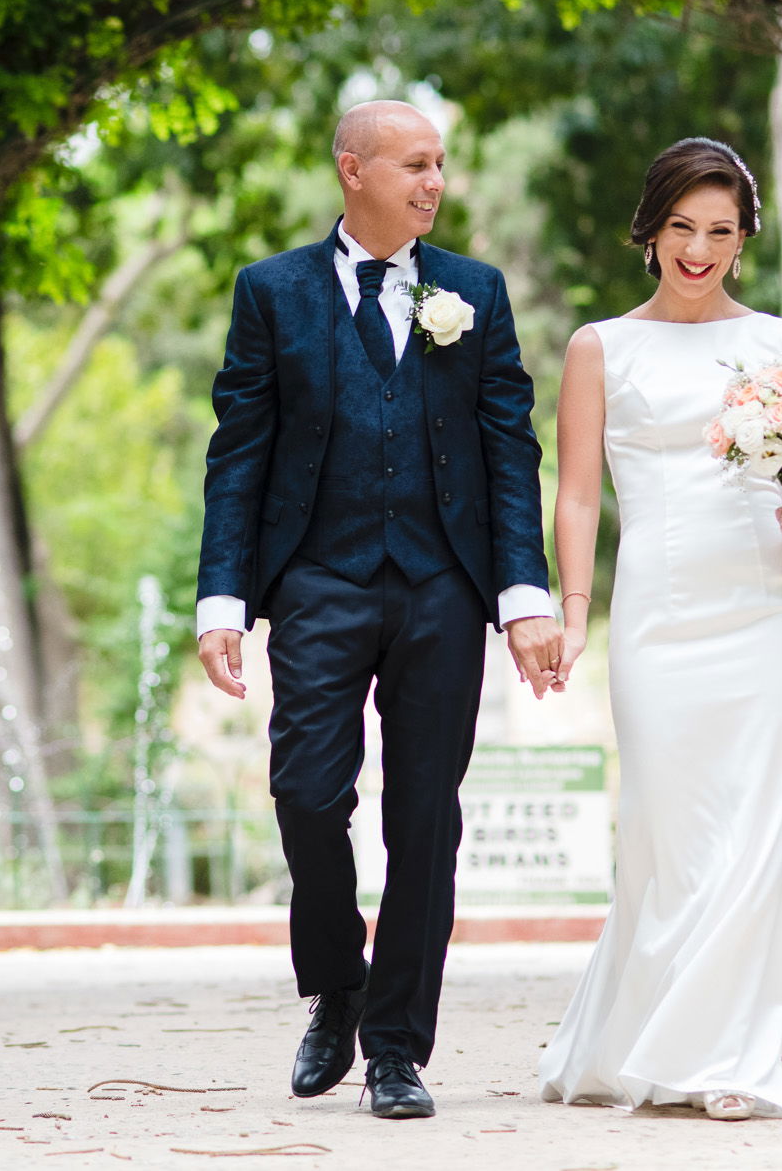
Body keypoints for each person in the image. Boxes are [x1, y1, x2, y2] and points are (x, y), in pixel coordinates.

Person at [194, 100, 564, 1119]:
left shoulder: (472, 293)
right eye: (412, 164)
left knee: (424, 825)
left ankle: (396, 1048)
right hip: (316, 579)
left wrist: (521, 594)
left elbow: (508, 453)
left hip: (443, 586)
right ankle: (336, 988)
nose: (433, 182)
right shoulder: (270, 293)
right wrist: (220, 600)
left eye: (440, 163)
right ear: (350, 170)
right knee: (306, 794)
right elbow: (239, 454)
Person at [536, 137, 782, 1120]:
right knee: (667, 838)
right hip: (658, 620)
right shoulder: (600, 347)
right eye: (680, 229)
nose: (697, 251)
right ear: (651, 231)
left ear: (743, 240)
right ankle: (641, 1039)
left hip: (767, 611)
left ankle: (728, 1063)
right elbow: (577, 498)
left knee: (757, 838)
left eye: (718, 232)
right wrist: (573, 614)